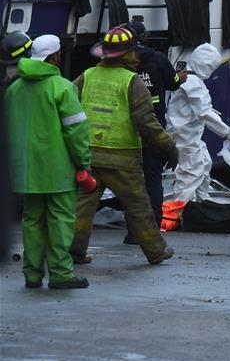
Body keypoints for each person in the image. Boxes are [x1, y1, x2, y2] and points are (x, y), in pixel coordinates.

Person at [70, 25, 179, 265]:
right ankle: (156, 250)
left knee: (83, 207)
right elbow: (147, 123)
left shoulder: (86, 76)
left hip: (89, 156)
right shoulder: (131, 81)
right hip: (122, 160)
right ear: (129, 54)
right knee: (138, 206)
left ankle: (74, 251)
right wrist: (168, 147)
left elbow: (67, 106)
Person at [5, 35, 91, 288]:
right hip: (58, 170)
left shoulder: (13, 90)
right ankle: (61, 274)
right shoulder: (63, 87)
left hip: (26, 171)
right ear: (54, 57)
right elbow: (76, 132)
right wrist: (83, 163)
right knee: (60, 221)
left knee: (31, 221)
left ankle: (32, 274)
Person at [122, 18, 186, 243]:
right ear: (145, 38)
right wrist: (181, 76)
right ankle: (153, 230)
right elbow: (174, 82)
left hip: (126, 131)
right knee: (152, 180)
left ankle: (132, 233)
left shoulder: (120, 63)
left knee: (131, 184)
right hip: (153, 128)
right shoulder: (158, 59)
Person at [167, 43, 230, 204]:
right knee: (191, 172)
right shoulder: (192, 81)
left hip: (187, 135)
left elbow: (194, 107)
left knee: (205, 163)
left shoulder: (186, 78)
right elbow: (204, 112)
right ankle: (180, 209)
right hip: (186, 137)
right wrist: (227, 133)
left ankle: (200, 203)